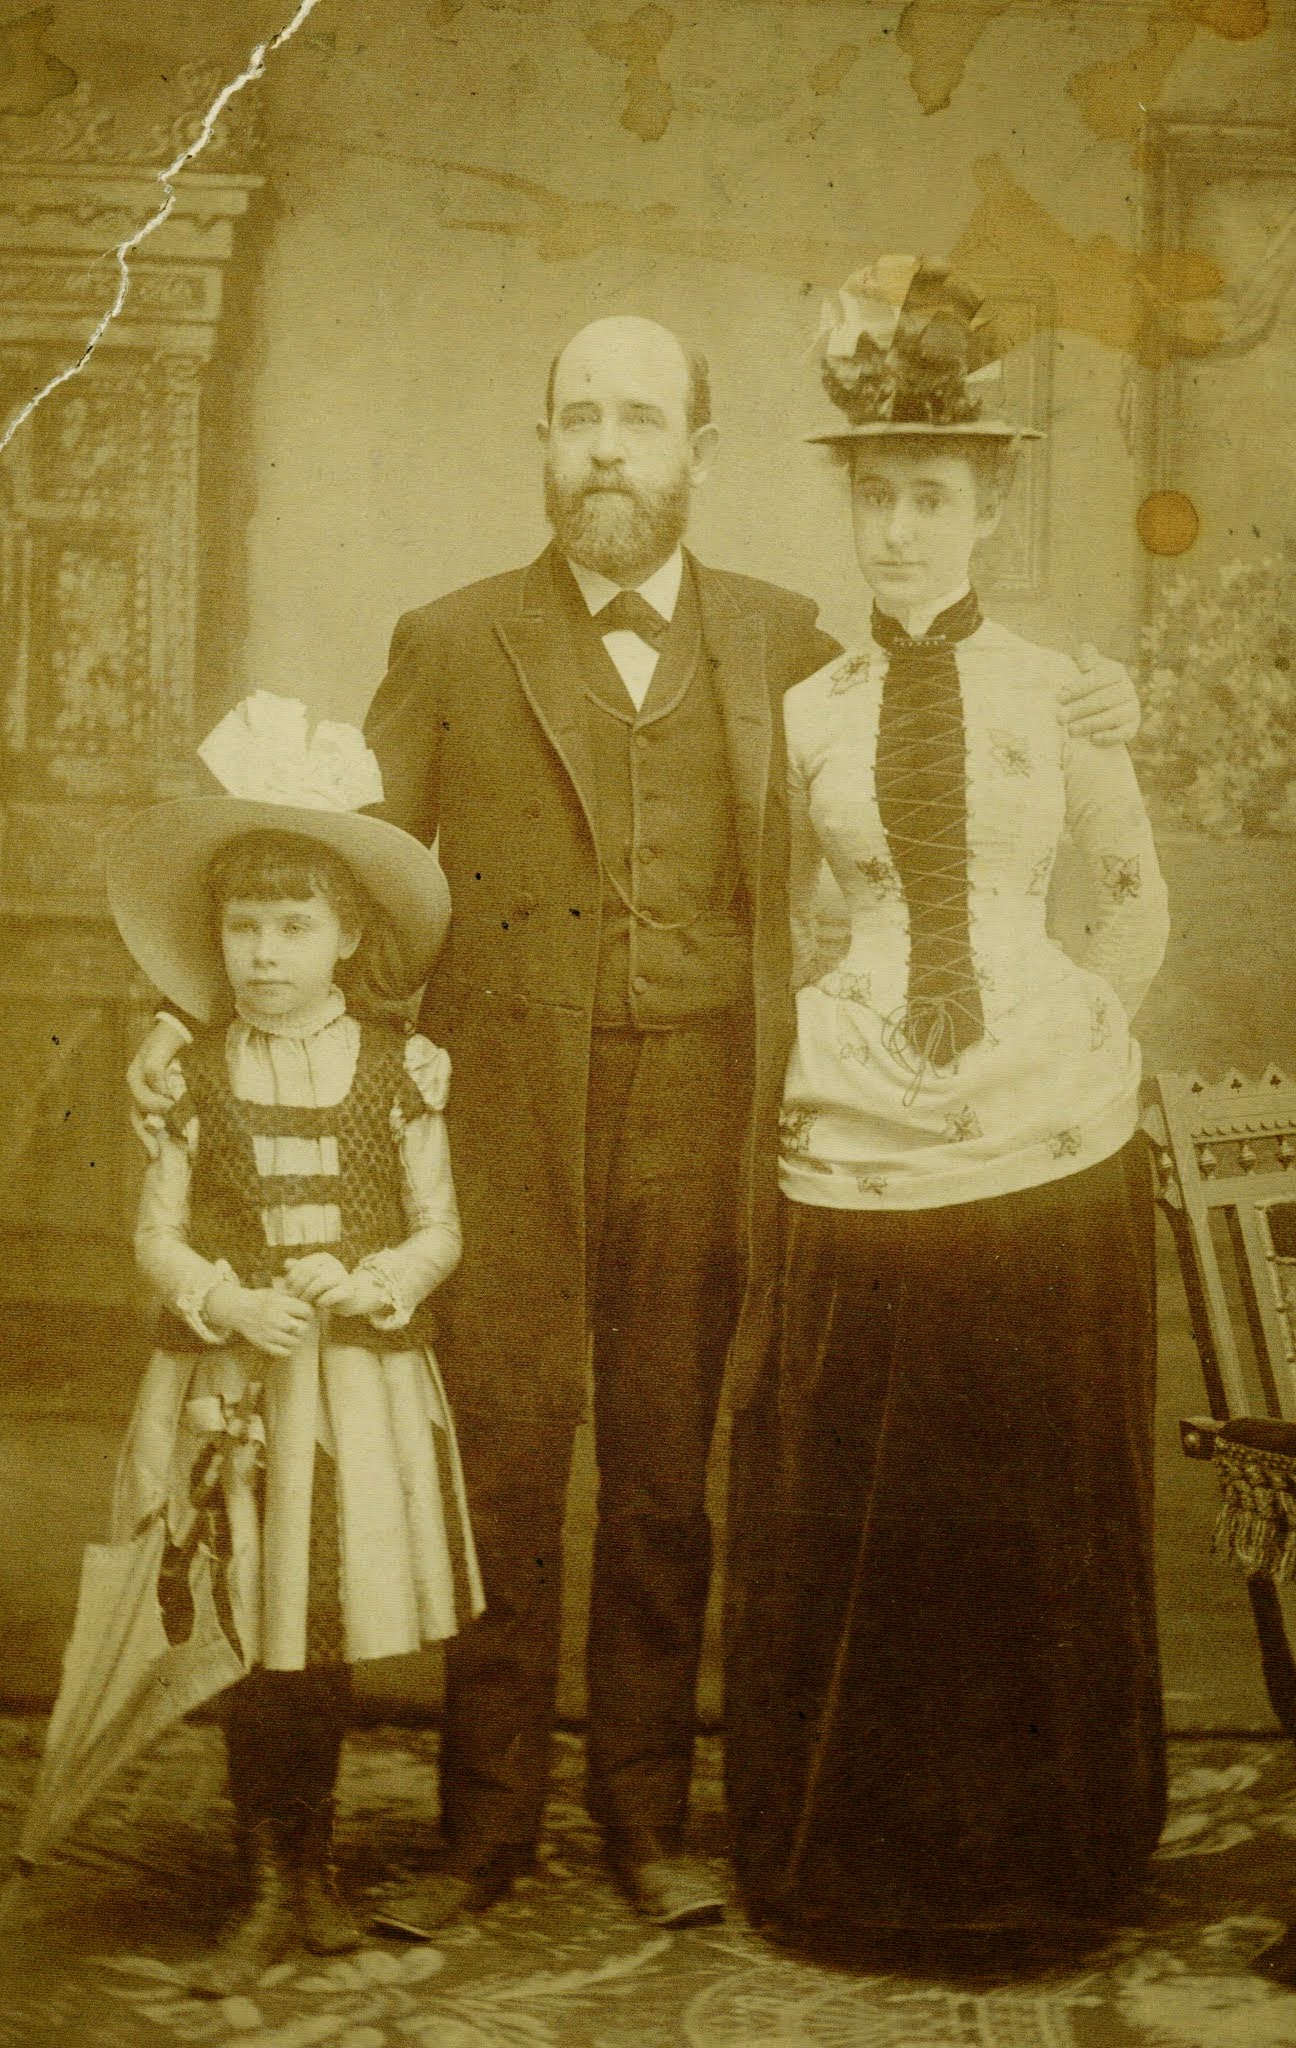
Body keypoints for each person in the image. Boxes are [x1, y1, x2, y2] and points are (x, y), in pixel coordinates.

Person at [127, 313, 1141, 1935]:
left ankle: (649, 1818)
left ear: (701, 455)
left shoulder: (788, 640)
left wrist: (1096, 706)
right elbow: (341, 894)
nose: (607, 446)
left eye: (642, 419)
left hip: (708, 1113)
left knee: (669, 1475)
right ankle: (483, 1830)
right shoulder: (451, 641)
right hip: (504, 1121)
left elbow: (931, 723)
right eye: (579, 416)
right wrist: (188, 1026)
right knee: (509, 1464)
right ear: (543, 444)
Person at [723, 258, 1170, 1964]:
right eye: (877, 499)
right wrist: (866, 1050)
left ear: (986, 505)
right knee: (871, 1518)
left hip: (1044, 1145)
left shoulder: (1064, 693)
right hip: (858, 1139)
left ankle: (1042, 1859)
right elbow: (795, 924)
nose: (900, 531)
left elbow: (1129, 901)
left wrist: (1062, 1038)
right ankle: (866, 1859)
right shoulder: (808, 712)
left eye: (931, 497)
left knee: (1022, 1513)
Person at [102, 695, 480, 1993]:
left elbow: (441, 1229)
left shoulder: (401, 1068)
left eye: (294, 927)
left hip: (353, 1389)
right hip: (232, 1387)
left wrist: (369, 1279)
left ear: (348, 936)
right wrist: (225, 1300)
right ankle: (262, 1874)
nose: (265, 955)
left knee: (318, 1622)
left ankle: (313, 1871)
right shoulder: (195, 1075)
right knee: (246, 1615)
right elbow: (156, 1236)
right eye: (243, 928)